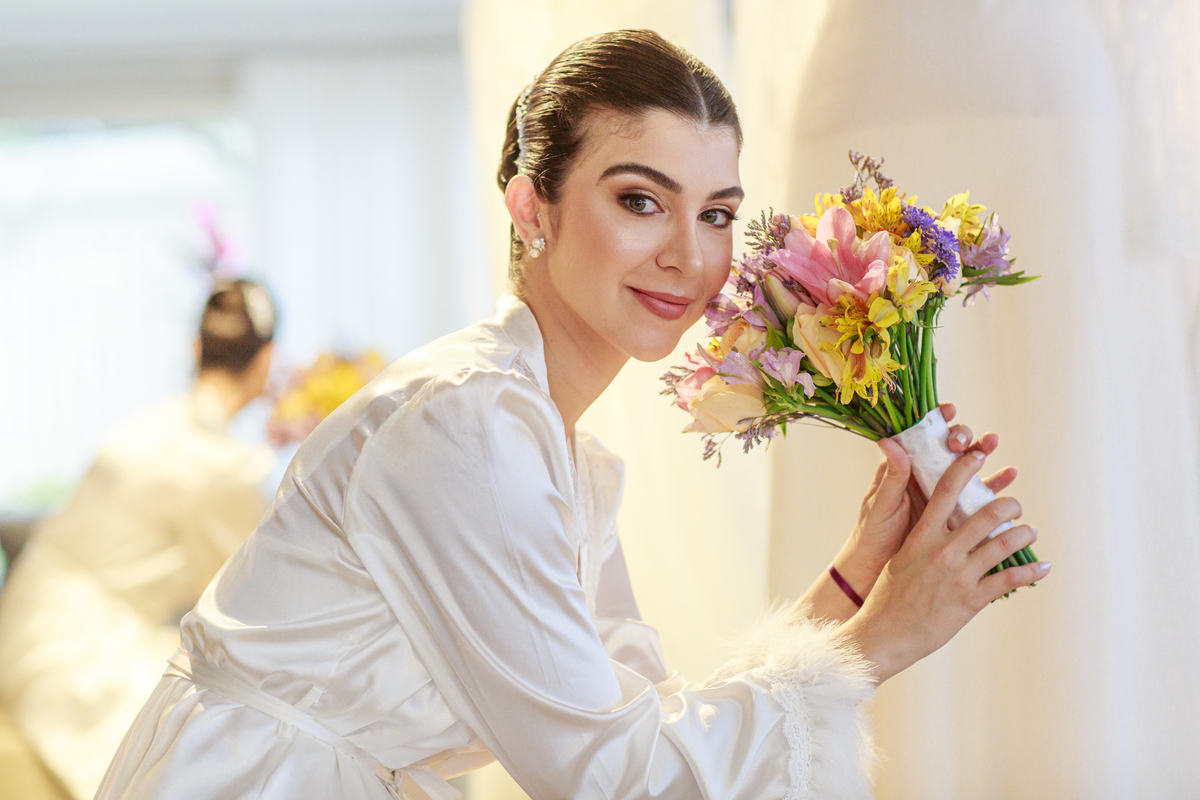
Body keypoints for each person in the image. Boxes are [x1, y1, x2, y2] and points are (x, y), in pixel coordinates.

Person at [95, 31, 1046, 800]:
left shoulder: (555, 452)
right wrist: (886, 639)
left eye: (717, 214)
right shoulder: (466, 426)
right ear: (531, 208)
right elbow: (611, 776)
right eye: (641, 200)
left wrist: (854, 580)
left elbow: (643, 720)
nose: (689, 257)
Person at [0, 280, 278, 800]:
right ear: (266, 361)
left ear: (195, 349)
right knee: (232, 727)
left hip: (24, 620)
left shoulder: (151, 423)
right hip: (81, 652)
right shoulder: (225, 467)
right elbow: (255, 595)